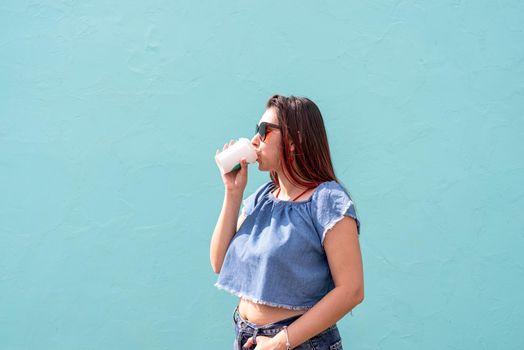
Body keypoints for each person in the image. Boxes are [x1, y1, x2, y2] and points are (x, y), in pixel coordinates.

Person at [210, 95, 364, 350]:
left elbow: (352, 290)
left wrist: (280, 343)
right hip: (246, 337)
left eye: (264, 131)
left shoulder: (327, 200)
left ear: (296, 140)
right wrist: (233, 193)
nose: (255, 140)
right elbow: (219, 262)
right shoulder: (262, 198)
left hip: (296, 344)